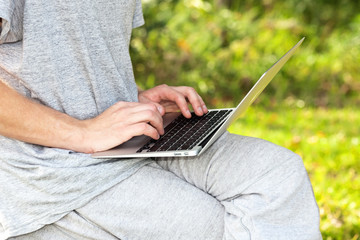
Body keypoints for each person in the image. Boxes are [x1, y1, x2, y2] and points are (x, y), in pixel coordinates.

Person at [0, 1, 322, 239]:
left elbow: (77, 57)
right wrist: (82, 132)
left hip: (128, 143)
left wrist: (133, 98)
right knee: (215, 226)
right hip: (50, 164)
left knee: (279, 174)